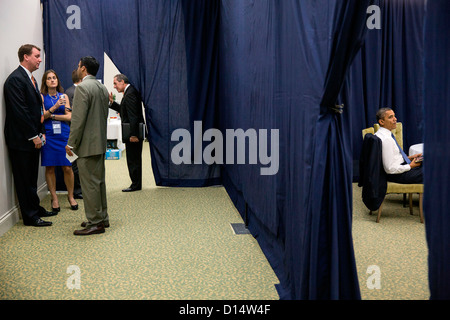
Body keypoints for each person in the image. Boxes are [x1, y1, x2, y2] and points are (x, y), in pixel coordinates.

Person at [3, 44, 56, 227]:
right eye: (37, 56)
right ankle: (30, 216)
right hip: (21, 140)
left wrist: (41, 133)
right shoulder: (15, 80)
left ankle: (35, 208)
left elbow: (36, 111)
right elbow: (20, 112)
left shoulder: (30, 79)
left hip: (33, 138)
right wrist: (33, 135)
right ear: (26, 57)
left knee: (32, 177)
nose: (40, 59)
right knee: (24, 179)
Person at [66, 56, 110, 236]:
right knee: (98, 182)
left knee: (89, 184)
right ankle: (102, 217)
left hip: (86, 145)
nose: (77, 69)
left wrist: (71, 143)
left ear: (83, 69)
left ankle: (95, 222)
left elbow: (77, 120)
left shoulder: (83, 88)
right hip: (99, 142)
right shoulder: (102, 87)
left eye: (78, 66)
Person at [40, 70, 78, 212]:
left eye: (54, 78)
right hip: (48, 135)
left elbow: (70, 117)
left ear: (57, 80)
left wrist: (53, 116)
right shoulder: (42, 97)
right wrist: (55, 108)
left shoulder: (64, 96)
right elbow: (42, 116)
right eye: (49, 78)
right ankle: (54, 198)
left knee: (67, 167)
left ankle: (70, 196)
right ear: (45, 81)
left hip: (64, 135)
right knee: (50, 168)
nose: (52, 80)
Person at [109, 74, 145, 192]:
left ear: (122, 82)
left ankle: (135, 185)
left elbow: (133, 116)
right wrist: (112, 103)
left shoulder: (130, 94)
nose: (114, 87)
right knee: (133, 158)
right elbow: (124, 111)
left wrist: (133, 135)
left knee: (133, 159)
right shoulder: (129, 92)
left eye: (115, 83)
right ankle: (136, 183)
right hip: (131, 133)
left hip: (132, 134)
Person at [375, 107, 423, 184]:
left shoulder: (382, 134)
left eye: (394, 116)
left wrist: (409, 158)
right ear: (381, 121)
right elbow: (389, 169)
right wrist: (410, 166)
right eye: (391, 117)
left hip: (400, 168)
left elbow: (392, 159)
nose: (395, 119)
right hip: (397, 174)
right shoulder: (386, 139)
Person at [64, 69, 83, 200]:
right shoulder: (77, 92)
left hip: (73, 131)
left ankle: (78, 190)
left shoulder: (68, 91)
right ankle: (77, 191)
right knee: (75, 163)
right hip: (74, 132)